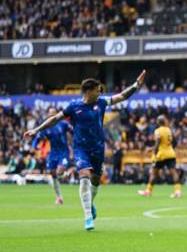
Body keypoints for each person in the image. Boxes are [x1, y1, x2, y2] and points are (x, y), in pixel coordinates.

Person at [25, 70, 147, 231]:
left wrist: (136, 85)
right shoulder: (74, 107)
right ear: (88, 91)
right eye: (97, 90)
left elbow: (122, 96)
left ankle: (90, 203)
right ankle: (88, 217)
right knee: (84, 176)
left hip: (98, 148)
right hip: (80, 148)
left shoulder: (102, 103)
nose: (100, 92)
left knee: (95, 181)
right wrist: (36, 130)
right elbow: (54, 119)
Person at [31, 107, 73, 204]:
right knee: (52, 173)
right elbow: (37, 138)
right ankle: (59, 197)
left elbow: (74, 131)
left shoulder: (63, 124)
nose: (52, 115)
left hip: (63, 152)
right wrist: (33, 146)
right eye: (50, 113)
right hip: (53, 153)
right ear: (48, 115)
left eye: (54, 113)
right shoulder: (46, 127)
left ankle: (68, 173)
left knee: (59, 172)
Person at [138, 115, 182, 198]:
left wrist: (154, 152)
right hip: (170, 153)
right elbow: (175, 141)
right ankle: (178, 191)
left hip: (161, 155)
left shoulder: (158, 131)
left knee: (154, 173)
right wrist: (169, 148)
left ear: (158, 122)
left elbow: (158, 142)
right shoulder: (169, 130)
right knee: (173, 172)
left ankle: (148, 191)